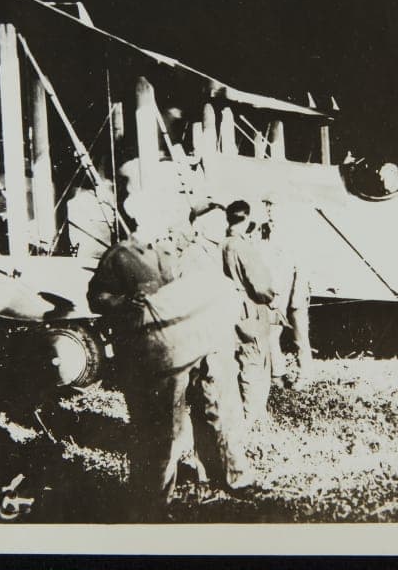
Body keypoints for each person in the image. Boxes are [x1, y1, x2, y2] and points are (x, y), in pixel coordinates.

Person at [87, 192, 253, 521]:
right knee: (154, 430)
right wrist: (124, 303)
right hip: (145, 359)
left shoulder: (165, 254)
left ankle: (186, 488)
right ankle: (150, 505)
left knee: (189, 421)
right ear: (141, 218)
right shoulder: (119, 256)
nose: (166, 219)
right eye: (160, 212)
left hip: (180, 352)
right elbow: (97, 298)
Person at [221, 200, 279, 424]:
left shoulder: (222, 243)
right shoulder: (242, 246)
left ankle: (245, 410)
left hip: (231, 308)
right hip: (250, 308)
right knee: (255, 359)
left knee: (239, 359)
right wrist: (272, 298)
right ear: (245, 220)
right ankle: (253, 414)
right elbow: (260, 285)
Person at [259, 204, 314, 391]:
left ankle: (305, 374)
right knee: (273, 333)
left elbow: (303, 268)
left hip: (295, 291)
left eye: (273, 208)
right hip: (276, 293)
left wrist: (299, 296)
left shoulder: (296, 235)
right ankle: (278, 374)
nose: (270, 213)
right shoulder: (265, 233)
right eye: (268, 209)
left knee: (300, 336)